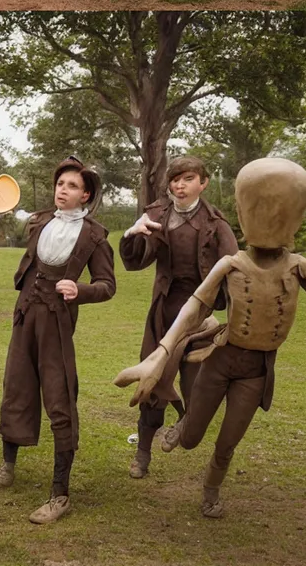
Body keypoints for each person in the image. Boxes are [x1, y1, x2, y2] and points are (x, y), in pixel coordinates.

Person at [115, 159, 306, 519]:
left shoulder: (294, 265)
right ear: (243, 210)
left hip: (255, 369)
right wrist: (160, 354)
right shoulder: (221, 257)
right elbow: (191, 306)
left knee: (227, 443)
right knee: (188, 438)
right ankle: (171, 434)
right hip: (207, 347)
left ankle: (211, 490)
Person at [0, 157, 116, 524]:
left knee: (60, 397)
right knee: (16, 387)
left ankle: (60, 494)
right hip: (25, 314)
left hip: (56, 322)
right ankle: (8, 464)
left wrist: (79, 288)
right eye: (61, 184)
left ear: (86, 195)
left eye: (72, 186)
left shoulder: (95, 236)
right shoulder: (41, 222)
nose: (63, 190)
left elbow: (108, 286)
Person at [118, 155, 238, 480]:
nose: (179, 186)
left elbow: (234, 272)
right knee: (151, 382)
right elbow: (134, 261)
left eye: (187, 179)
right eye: (175, 179)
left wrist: (235, 317)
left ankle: (185, 425)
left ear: (203, 183)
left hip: (201, 319)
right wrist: (132, 235)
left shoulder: (217, 223)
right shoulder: (157, 215)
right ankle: (142, 453)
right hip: (163, 314)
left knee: (197, 385)